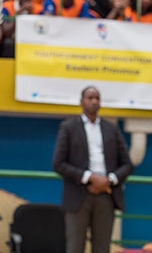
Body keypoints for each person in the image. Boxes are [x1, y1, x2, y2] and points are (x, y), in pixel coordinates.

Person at [53, 86, 134, 253]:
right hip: (78, 195)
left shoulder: (111, 129)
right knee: (75, 247)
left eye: (97, 98)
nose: (94, 101)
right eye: (90, 98)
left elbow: (127, 164)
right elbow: (58, 163)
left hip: (106, 194)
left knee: (102, 247)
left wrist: (108, 180)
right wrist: (89, 177)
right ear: (81, 101)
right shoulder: (68, 128)